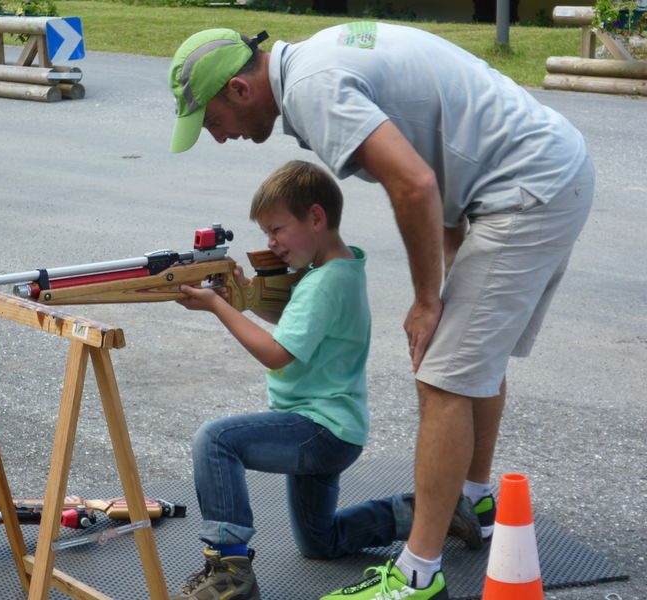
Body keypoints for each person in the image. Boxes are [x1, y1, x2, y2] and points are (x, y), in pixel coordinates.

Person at [168, 23, 594, 599]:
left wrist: (426, 298)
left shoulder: (312, 90)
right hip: (541, 169)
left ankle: (416, 575)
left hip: (524, 184)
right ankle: (469, 502)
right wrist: (451, 258)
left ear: (240, 91)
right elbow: (433, 150)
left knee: (441, 380)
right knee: (472, 364)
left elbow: (414, 183)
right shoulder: (317, 60)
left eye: (214, 122)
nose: (220, 138)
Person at [171, 160, 479, 600]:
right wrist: (247, 299)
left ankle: (229, 569)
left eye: (277, 230)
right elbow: (300, 324)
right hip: (335, 428)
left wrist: (221, 309)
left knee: (216, 441)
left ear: (316, 217)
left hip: (316, 429)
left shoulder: (321, 283)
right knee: (321, 542)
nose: (271, 243)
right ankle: (432, 512)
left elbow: (278, 353)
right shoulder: (342, 267)